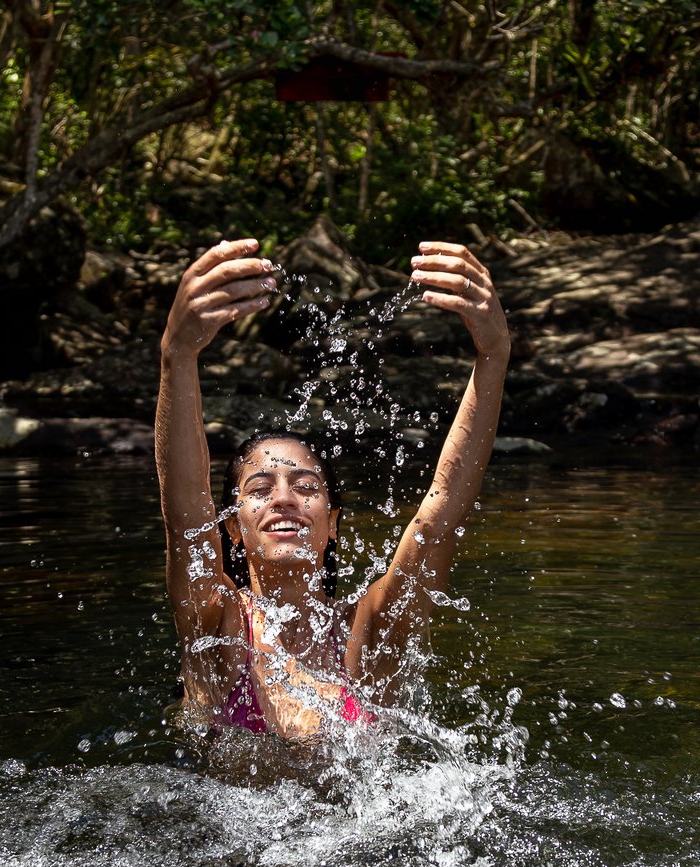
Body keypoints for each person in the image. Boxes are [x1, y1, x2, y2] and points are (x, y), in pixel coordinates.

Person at [155, 237, 509, 739]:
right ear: (232, 528)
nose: (284, 498)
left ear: (333, 521)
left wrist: (494, 355)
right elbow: (185, 517)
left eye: (305, 486)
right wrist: (177, 355)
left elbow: (440, 515)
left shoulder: (369, 632)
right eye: (260, 488)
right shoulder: (218, 628)